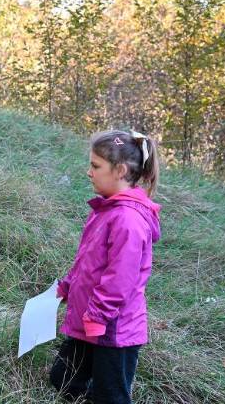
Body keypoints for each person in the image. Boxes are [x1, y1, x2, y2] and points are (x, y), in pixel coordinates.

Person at [51, 130, 162, 404]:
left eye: (96, 166)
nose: (89, 172)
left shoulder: (128, 220)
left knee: (110, 397)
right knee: (63, 378)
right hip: (91, 320)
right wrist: (67, 285)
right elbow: (89, 260)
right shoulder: (106, 210)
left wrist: (97, 317)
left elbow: (119, 281)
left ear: (120, 170)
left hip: (114, 331)